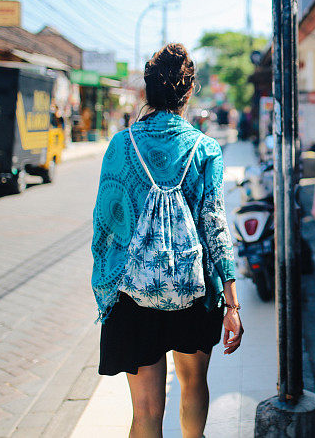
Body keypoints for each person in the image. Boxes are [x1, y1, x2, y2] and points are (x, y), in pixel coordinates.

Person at [91, 43, 243, 438]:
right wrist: (231, 302)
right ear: (188, 91)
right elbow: (215, 227)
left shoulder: (121, 146)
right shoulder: (206, 149)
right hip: (192, 291)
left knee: (144, 412)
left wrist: (108, 292)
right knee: (193, 385)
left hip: (132, 294)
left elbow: (106, 224)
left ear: (146, 91)